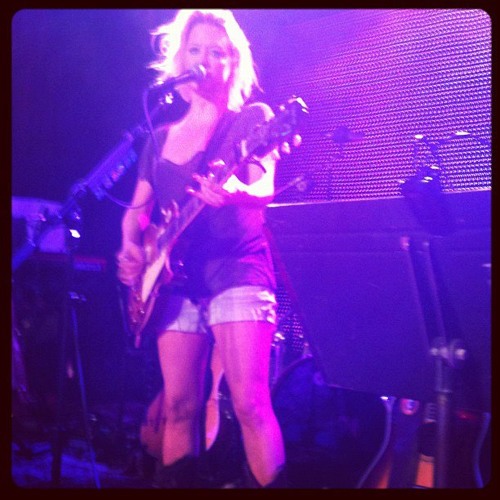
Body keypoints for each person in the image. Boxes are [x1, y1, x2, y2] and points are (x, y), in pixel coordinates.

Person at [116, 9, 287, 488]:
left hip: (237, 267)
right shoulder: (159, 137)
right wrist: (131, 246)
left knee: (249, 403)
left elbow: (264, 188)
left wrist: (232, 193)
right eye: (195, 50)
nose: (205, 60)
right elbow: (137, 213)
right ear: (179, 60)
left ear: (233, 63)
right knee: (178, 406)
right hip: (174, 280)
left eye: (216, 52)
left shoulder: (252, 120)